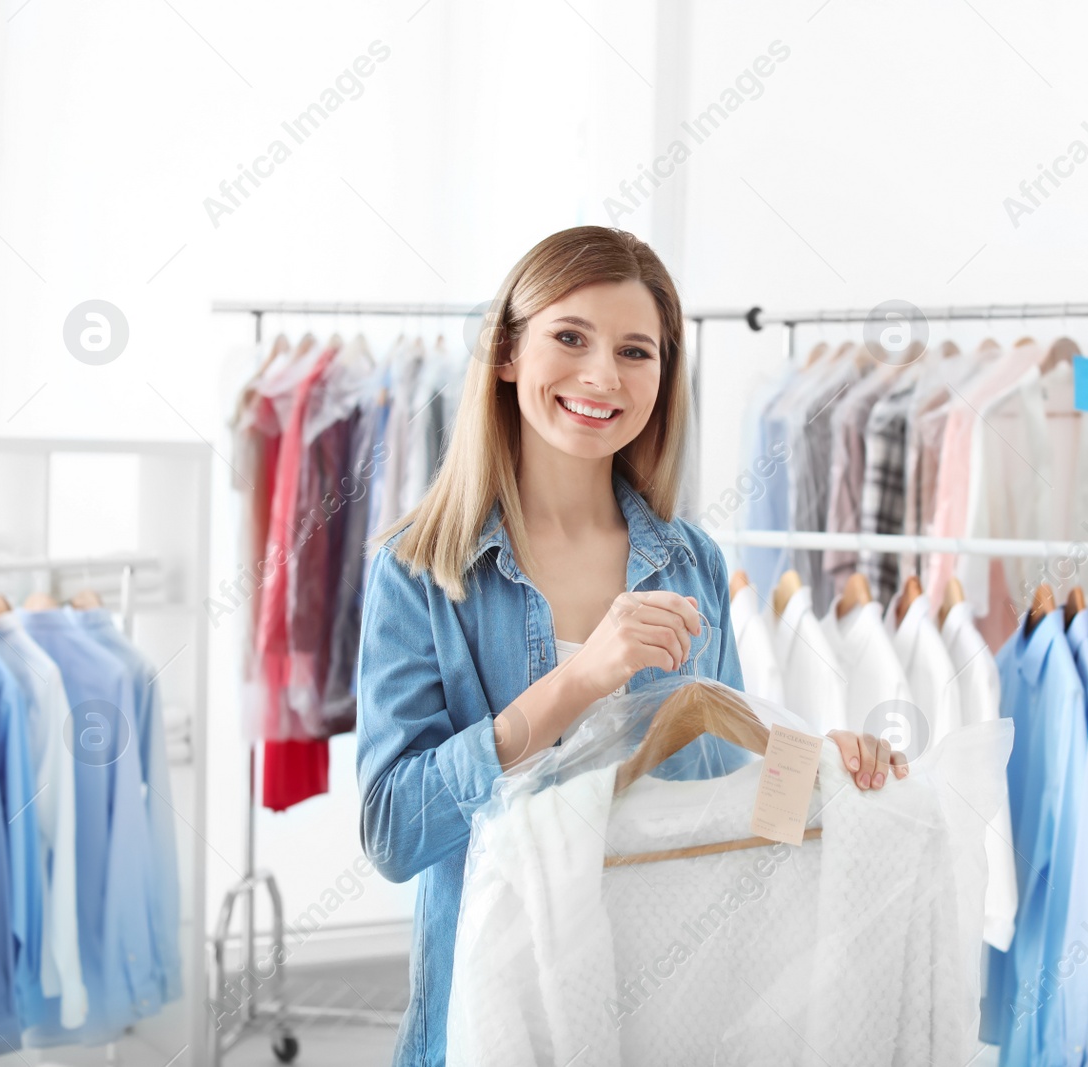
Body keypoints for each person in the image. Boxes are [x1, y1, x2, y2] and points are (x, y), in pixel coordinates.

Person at [356, 225, 905, 1066]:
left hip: (670, 1014)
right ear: (507, 351)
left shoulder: (691, 562)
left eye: (636, 350)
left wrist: (825, 767)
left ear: (664, 374)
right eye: (570, 337)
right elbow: (393, 833)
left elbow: (738, 809)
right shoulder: (420, 571)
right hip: (497, 1023)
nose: (602, 376)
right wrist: (576, 681)